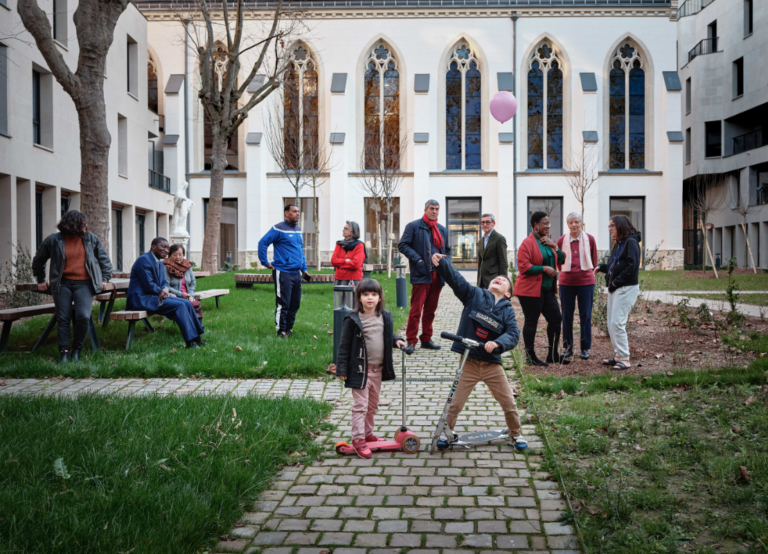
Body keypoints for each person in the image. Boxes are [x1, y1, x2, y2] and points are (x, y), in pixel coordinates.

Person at [431, 252, 527, 451]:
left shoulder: (507, 310)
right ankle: (446, 433)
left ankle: (516, 434)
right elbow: (456, 280)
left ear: (508, 293)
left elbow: (513, 333)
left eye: (504, 280)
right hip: (470, 362)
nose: (499, 279)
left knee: (508, 402)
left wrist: (498, 343)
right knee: (455, 403)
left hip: (492, 365)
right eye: (496, 278)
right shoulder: (474, 295)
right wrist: (442, 264)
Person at [336, 279, 406, 459]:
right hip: (360, 371)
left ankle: (368, 434)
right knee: (360, 406)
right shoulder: (353, 319)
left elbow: (387, 334)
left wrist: (396, 340)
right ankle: (358, 439)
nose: (370, 298)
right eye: (365, 294)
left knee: (372, 406)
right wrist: (342, 369)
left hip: (378, 370)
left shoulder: (384, 316)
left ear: (379, 297)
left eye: (374, 294)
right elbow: (344, 346)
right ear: (359, 298)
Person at [32, 210, 112, 363]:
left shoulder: (90, 239)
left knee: (83, 316)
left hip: (84, 284)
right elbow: (38, 260)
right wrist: (41, 279)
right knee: (63, 318)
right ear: (75, 224)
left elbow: (104, 260)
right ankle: (64, 353)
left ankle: (76, 350)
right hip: (62, 283)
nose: (86, 225)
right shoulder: (54, 240)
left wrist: (105, 278)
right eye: (83, 223)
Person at [513, 211, 569, 367]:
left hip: (547, 290)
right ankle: (530, 357)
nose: (548, 226)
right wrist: (543, 268)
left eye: (548, 223)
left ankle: (553, 354)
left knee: (556, 320)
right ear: (536, 225)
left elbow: (562, 259)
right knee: (531, 321)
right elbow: (524, 267)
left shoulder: (547, 241)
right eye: (545, 223)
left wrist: (555, 246)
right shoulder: (527, 243)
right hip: (530, 290)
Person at [126, 237, 205, 348]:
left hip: (154, 296)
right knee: (180, 305)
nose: (166, 250)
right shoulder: (144, 260)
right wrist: (162, 291)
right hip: (141, 299)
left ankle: (197, 337)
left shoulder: (159, 263)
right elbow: (149, 285)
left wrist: (166, 290)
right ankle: (190, 342)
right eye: (162, 246)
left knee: (186, 302)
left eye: (167, 248)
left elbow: (163, 282)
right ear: (153, 247)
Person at [397, 199, 449, 354]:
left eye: (437, 209)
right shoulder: (414, 226)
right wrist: (418, 259)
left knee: (430, 310)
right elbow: (403, 245)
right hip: (421, 274)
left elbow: (448, 251)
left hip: (437, 276)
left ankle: (426, 339)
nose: (434, 211)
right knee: (416, 311)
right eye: (432, 208)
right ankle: (411, 341)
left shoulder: (442, 230)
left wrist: (446, 264)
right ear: (426, 209)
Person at [594, 215, 642, 370]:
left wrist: (615, 282)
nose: (609, 229)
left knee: (617, 323)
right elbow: (614, 264)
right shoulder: (619, 244)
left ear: (620, 226)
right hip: (616, 288)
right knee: (611, 323)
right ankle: (618, 356)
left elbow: (632, 268)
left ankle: (625, 359)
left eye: (611, 226)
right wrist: (602, 267)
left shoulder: (631, 243)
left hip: (625, 288)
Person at [258, 204, 312, 338]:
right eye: (294, 211)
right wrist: (266, 263)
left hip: (296, 273)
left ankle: (289, 328)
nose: (297, 214)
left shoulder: (298, 230)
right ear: (286, 213)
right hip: (283, 272)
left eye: (298, 211)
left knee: (295, 303)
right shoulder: (278, 228)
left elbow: (300, 251)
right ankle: (281, 330)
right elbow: (262, 242)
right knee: (283, 303)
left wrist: (304, 269)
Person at [556, 212, 598, 360]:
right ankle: (568, 347)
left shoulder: (590, 239)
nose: (574, 225)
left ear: (582, 223)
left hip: (586, 282)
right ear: (567, 224)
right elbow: (558, 261)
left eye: (576, 222)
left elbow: (593, 259)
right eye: (571, 222)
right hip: (566, 283)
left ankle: (584, 348)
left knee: (585, 315)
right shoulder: (561, 240)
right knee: (567, 315)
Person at [163, 244, 203, 326]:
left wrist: (190, 295)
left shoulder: (187, 266)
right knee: (187, 306)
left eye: (180, 254)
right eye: (175, 254)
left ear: (183, 255)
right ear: (170, 255)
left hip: (188, 296)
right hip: (174, 296)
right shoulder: (166, 267)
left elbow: (193, 282)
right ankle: (191, 330)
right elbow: (166, 286)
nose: (178, 257)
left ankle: (199, 328)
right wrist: (182, 294)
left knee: (196, 305)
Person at [331, 221, 366, 307]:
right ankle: (340, 320)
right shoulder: (339, 244)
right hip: (339, 278)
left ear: (353, 232)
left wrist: (339, 265)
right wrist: (346, 260)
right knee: (339, 306)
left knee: (353, 306)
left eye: (346, 228)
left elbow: (356, 264)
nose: (343, 230)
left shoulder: (359, 245)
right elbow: (333, 261)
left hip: (353, 279)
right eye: (344, 228)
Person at [477, 213, 508, 290]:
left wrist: (503, 281)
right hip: (482, 281)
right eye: (483, 222)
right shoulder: (481, 241)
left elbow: (503, 262)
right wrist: (478, 281)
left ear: (493, 223)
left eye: (488, 222)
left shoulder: (499, 238)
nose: (485, 224)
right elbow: (480, 263)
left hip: (494, 279)